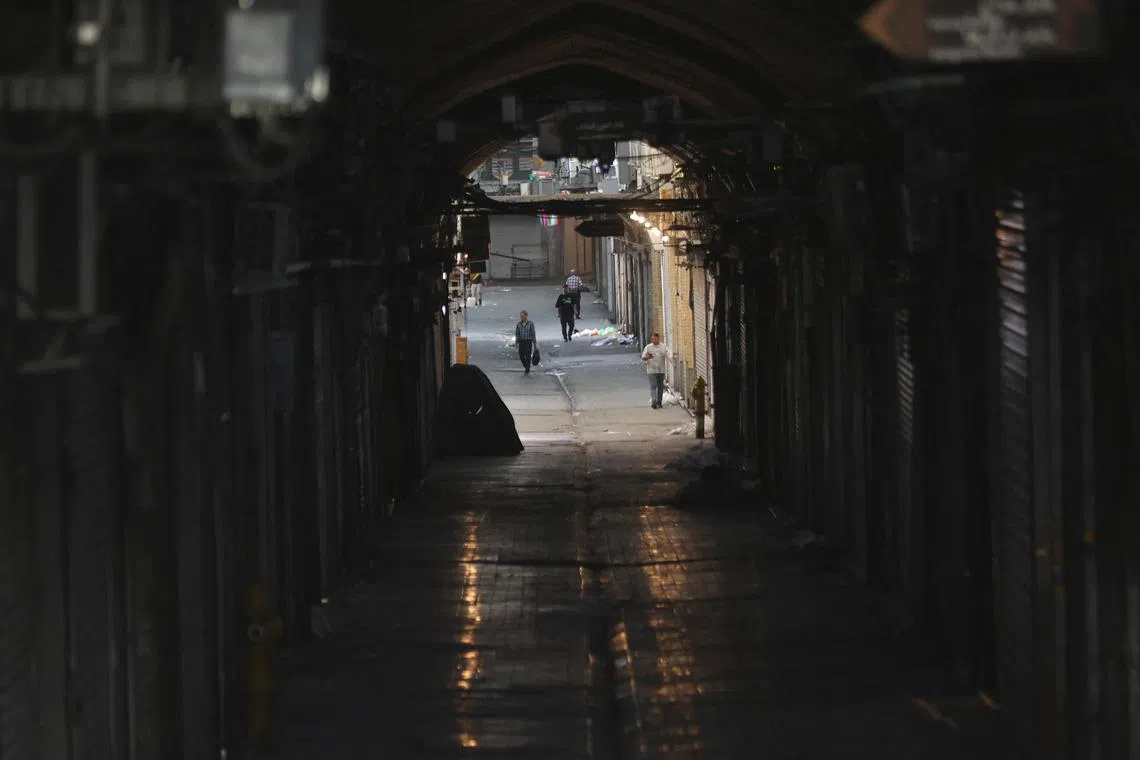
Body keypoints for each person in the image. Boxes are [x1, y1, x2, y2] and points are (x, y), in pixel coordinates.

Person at [640, 333, 670, 409]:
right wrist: (648, 357)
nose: (653, 340)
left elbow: (667, 355)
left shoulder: (663, 347)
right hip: (651, 370)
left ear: (658, 338)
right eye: (652, 339)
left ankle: (659, 402)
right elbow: (643, 357)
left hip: (661, 370)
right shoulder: (648, 347)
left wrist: (672, 361)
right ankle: (654, 401)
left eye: (655, 339)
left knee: (660, 387)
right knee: (653, 386)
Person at [515, 310, 537, 374]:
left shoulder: (530, 323)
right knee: (521, 355)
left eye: (523, 316)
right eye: (521, 316)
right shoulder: (518, 324)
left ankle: (527, 368)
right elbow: (517, 333)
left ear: (526, 316)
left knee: (528, 355)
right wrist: (516, 341)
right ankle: (526, 365)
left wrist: (534, 344)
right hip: (521, 341)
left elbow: (533, 334)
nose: (521, 317)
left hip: (528, 341)